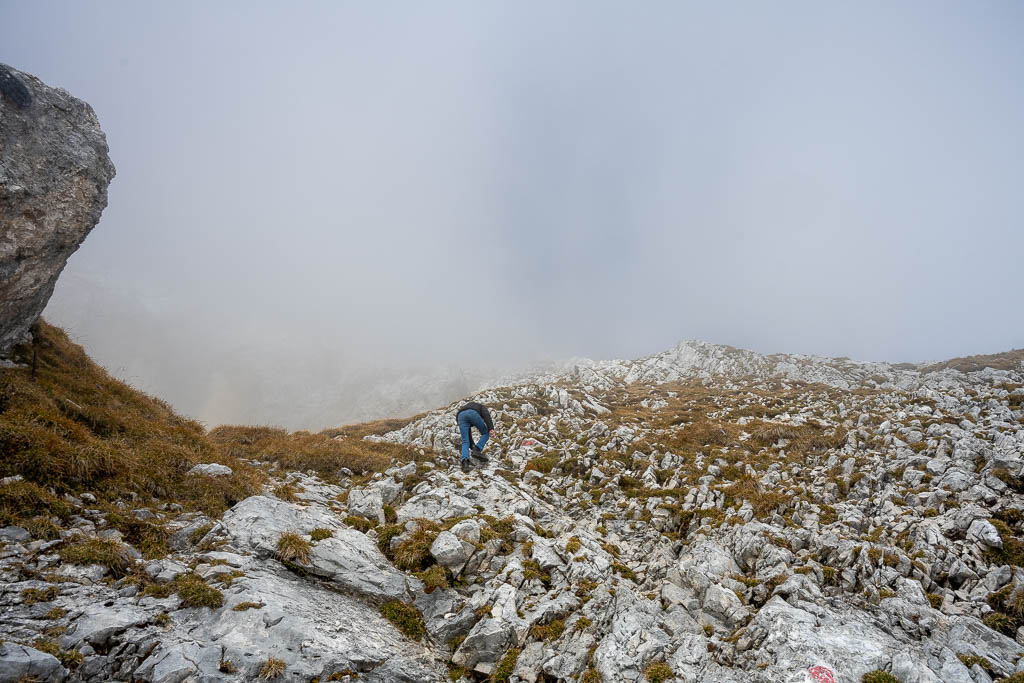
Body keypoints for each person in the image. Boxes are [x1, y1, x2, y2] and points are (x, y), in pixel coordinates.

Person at [456, 401, 494, 472]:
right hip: (472, 413)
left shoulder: (469, 406)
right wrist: (491, 428)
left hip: (460, 416)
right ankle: (477, 449)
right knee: (486, 433)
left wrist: (472, 446)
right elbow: (486, 416)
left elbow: (468, 434)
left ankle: (465, 464)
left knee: (465, 441)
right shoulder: (482, 407)